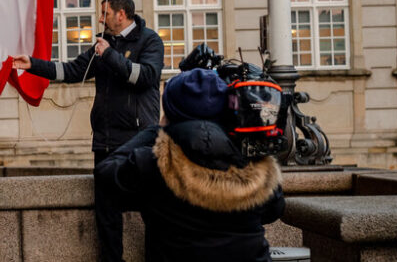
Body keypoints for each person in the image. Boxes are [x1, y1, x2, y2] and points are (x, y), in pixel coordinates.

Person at [13, 0, 163, 262]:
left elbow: (146, 77)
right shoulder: (103, 44)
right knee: (106, 212)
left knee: (150, 208)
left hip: (138, 138)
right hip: (105, 141)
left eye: (105, 13)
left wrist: (110, 56)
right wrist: (32, 65)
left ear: (121, 14)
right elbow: (71, 71)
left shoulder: (149, 40)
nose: (100, 18)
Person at [95, 68, 285, 262]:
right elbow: (274, 211)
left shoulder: (154, 163)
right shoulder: (256, 164)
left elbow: (105, 172)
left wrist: (156, 131)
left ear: (171, 114)